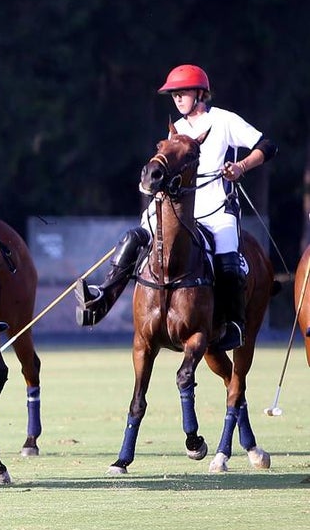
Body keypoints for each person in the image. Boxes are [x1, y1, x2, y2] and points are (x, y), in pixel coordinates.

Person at [74, 64, 277, 351]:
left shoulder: (224, 120)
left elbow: (267, 146)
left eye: (182, 93)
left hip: (217, 209)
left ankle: (233, 324)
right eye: (174, 94)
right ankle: (103, 297)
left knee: (228, 260)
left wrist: (241, 166)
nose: (177, 99)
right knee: (135, 238)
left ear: (200, 93)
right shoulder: (176, 130)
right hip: (178, 211)